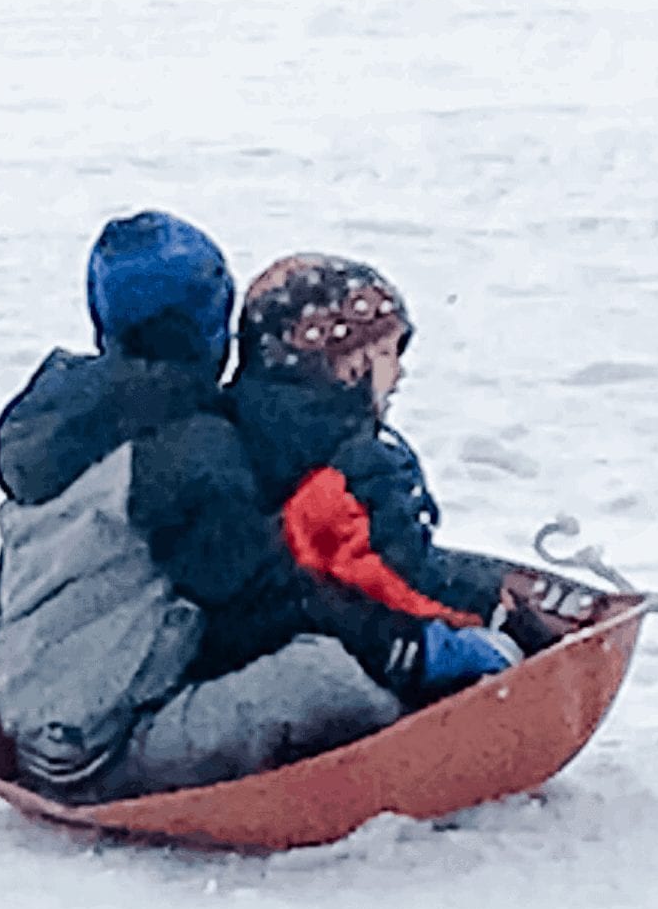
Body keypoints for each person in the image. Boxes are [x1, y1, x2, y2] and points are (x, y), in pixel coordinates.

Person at [0, 213, 505, 803]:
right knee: (326, 679)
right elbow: (257, 600)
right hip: (98, 749)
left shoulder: (72, 415)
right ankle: (420, 740)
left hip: (42, 711)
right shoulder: (183, 451)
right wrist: (403, 651)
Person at [227, 253, 604, 663]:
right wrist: (493, 616)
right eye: (389, 354)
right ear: (346, 364)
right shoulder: (349, 464)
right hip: (348, 646)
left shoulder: (250, 429)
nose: (400, 374)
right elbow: (390, 577)